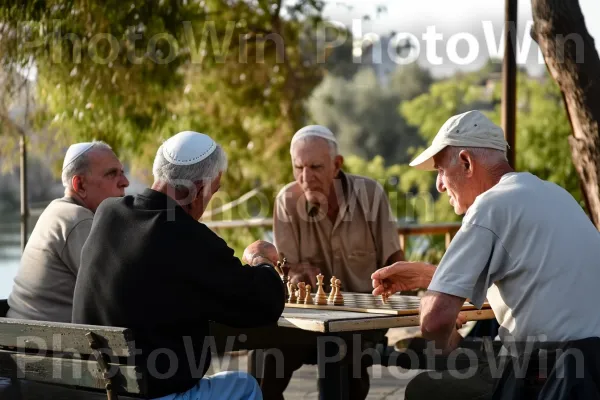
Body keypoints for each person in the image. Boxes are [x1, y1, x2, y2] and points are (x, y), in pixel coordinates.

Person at [371, 110, 600, 399]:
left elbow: (434, 322)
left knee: (423, 388)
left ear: (466, 162)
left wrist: (448, 339)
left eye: (441, 170)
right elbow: (532, 281)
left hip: (543, 373)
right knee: (476, 353)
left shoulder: (490, 206)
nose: (439, 185)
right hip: (587, 369)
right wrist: (429, 275)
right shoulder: (553, 194)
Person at [72, 131, 286, 400]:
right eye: (213, 191)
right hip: (153, 395)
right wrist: (260, 259)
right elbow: (265, 304)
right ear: (197, 190)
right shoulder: (189, 238)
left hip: (97, 392)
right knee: (245, 387)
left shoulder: (108, 213)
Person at [250, 125, 404, 400]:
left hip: (364, 318)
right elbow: (286, 271)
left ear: (336, 165)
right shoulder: (286, 200)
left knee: (340, 352)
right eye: (298, 168)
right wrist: (296, 273)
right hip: (311, 319)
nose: (305, 177)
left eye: (315, 167)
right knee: (265, 350)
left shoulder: (371, 195)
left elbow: (395, 261)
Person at [7, 141, 129, 322]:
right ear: (80, 185)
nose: (124, 182)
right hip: (45, 346)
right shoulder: (76, 219)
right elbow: (119, 291)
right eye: (111, 174)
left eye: (122, 172)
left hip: (27, 339)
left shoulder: (59, 210)